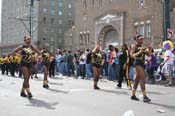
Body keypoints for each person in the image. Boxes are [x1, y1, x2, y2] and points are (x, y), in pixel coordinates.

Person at [130, 35, 151, 102]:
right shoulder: (134, 46)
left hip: (142, 63)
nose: (142, 40)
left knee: (137, 80)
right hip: (137, 62)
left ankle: (133, 95)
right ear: (137, 40)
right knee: (143, 78)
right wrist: (139, 52)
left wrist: (149, 48)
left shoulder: (143, 47)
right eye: (140, 39)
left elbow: (148, 54)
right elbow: (131, 55)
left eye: (142, 39)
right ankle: (144, 96)